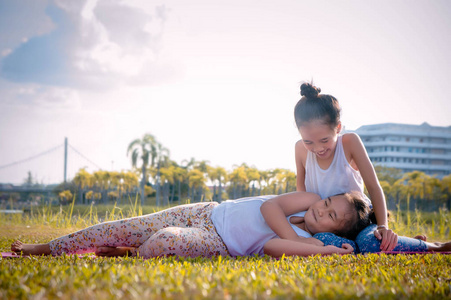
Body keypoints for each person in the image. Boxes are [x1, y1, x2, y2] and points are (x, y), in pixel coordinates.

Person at [292, 82, 451, 253]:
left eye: (324, 140)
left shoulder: (349, 142)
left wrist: (383, 226)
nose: (317, 148)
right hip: (324, 229)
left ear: (338, 128)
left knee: (373, 244)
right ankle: (404, 243)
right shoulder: (300, 149)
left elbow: (374, 187)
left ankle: (436, 246)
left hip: (358, 223)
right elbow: (301, 193)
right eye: (308, 141)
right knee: (320, 243)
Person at [11, 191, 371, 259]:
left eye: (331, 217)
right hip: (204, 211)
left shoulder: (313, 240)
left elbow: (274, 247)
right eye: (327, 204)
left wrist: (319, 248)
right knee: (125, 224)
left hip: (217, 242)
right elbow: (271, 209)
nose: (321, 211)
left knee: (163, 241)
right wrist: (298, 235)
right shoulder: (306, 200)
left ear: (336, 231)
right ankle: (42, 248)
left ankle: (127, 254)